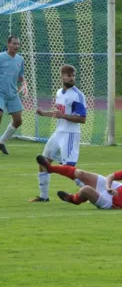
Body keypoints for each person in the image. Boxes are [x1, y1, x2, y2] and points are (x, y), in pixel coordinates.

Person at [29, 64, 87, 203]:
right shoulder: (59, 92)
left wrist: (63, 116)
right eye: (68, 75)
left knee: (70, 170)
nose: (71, 78)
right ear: (61, 76)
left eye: (73, 76)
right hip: (58, 133)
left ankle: (89, 190)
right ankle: (43, 197)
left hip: (70, 134)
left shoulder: (77, 95)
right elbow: (58, 114)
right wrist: (44, 113)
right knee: (44, 160)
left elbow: (82, 118)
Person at [35, 155, 122, 209]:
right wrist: (108, 187)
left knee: (84, 190)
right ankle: (50, 168)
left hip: (111, 203)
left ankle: (73, 199)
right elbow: (111, 176)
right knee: (80, 174)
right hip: (116, 188)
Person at [0, 35, 28, 155]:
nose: (17, 46)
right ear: (8, 44)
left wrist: (24, 84)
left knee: (18, 120)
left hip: (13, 93)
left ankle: (1, 141)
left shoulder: (20, 59)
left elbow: (21, 75)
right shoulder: (1, 57)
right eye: (14, 43)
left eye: (18, 44)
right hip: (0, 92)